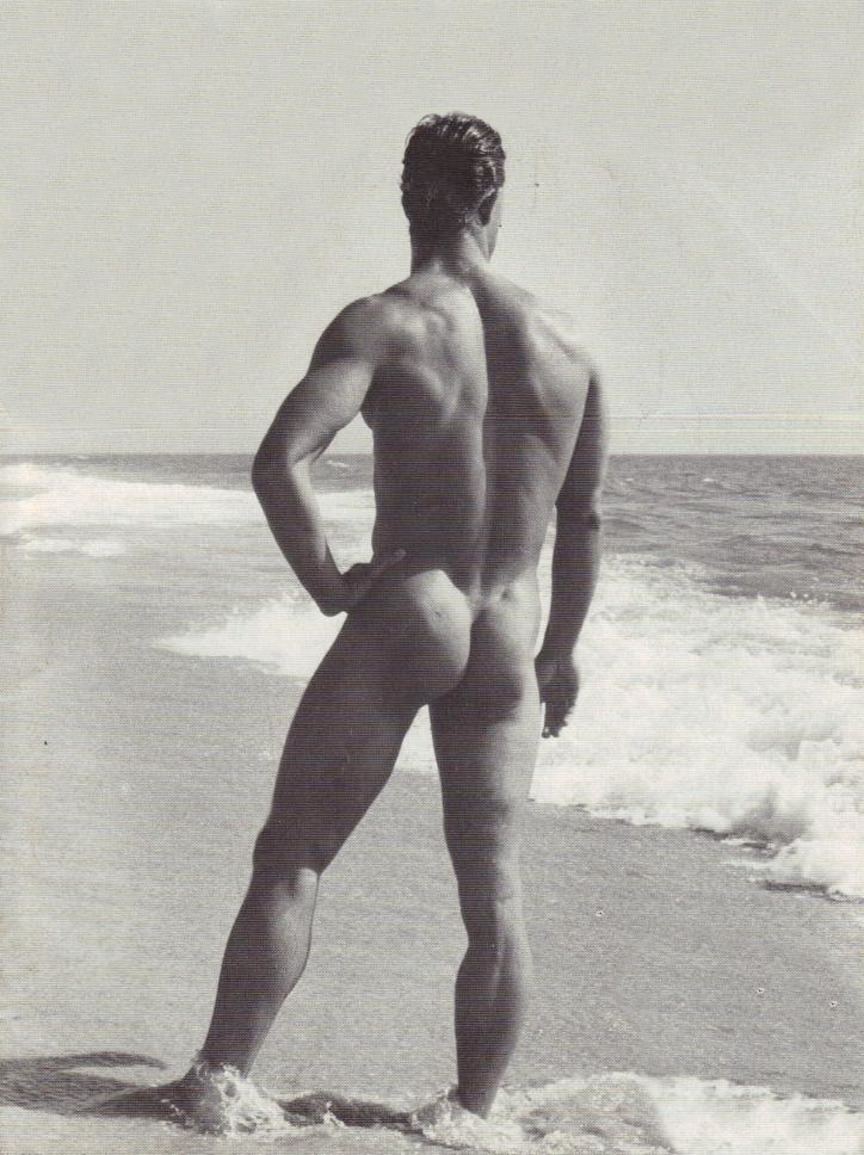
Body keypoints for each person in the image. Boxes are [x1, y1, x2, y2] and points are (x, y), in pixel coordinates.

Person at [162, 111, 606, 1130]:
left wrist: (328, 583)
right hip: (509, 629)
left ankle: (220, 1086)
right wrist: (563, 651)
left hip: (414, 603)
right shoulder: (571, 347)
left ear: (410, 199)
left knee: (294, 854)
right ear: (494, 201)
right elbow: (583, 518)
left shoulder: (385, 322)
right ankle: (470, 1118)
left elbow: (280, 460)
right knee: (494, 895)